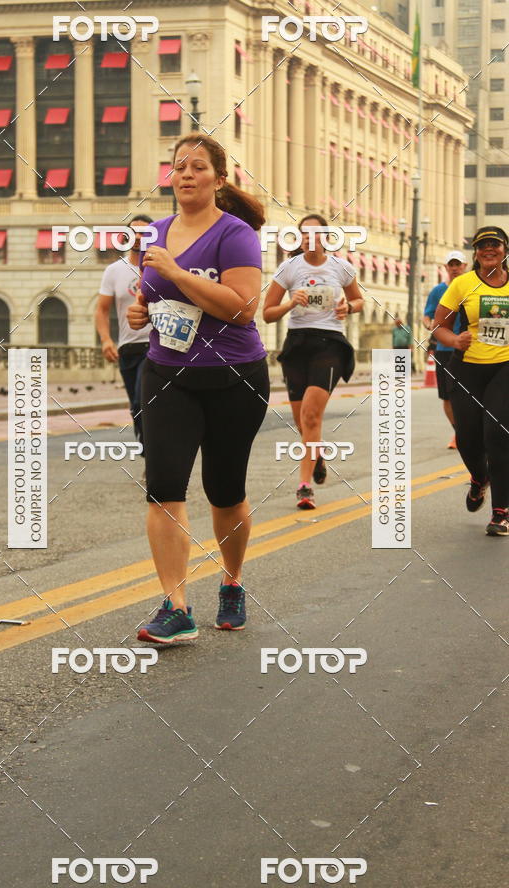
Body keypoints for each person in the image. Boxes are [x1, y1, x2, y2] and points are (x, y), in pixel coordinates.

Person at [127, 133, 269, 643]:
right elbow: (150, 296)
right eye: (178, 167)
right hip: (168, 374)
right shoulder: (157, 234)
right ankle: (176, 605)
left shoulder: (236, 235)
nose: (185, 175)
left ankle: (231, 582)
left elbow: (241, 307)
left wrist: (175, 271)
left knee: (224, 491)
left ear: (218, 179)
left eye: (198, 167)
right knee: (164, 487)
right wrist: (140, 310)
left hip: (234, 377)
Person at [263, 214, 364, 509]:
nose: (310, 239)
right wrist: (291, 303)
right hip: (297, 344)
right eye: (304, 234)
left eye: (316, 234)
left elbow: (359, 301)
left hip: (329, 344)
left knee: (310, 416)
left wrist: (348, 307)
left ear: (326, 237)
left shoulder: (340, 267)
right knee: (301, 421)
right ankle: (317, 456)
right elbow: (268, 313)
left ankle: (304, 486)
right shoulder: (289, 268)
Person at [433, 225, 509, 536]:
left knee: (497, 433)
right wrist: (454, 340)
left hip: (504, 367)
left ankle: (501, 512)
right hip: (466, 367)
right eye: (482, 246)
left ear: (505, 249)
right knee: (467, 437)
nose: (489, 250)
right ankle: (479, 478)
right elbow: (439, 327)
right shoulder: (463, 284)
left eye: (495, 245)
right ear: (474, 253)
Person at [95, 215, 154, 450]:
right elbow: (101, 310)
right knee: (136, 405)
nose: (139, 238)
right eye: (134, 232)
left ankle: (155, 458)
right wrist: (106, 340)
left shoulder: (161, 267)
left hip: (156, 346)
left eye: (145, 233)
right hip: (128, 348)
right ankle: (148, 451)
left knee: (145, 399)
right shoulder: (114, 271)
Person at [422, 250, 468, 449]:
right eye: (451, 265)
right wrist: (428, 324)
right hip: (444, 349)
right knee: (447, 395)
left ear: (465, 266)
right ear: (446, 268)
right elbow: (427, 314)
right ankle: (459, 433)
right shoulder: (438, 291)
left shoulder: (472, 288)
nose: (455, 268)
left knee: (468, 393)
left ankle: (469, 431)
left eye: (458, 264)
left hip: (469, 350)